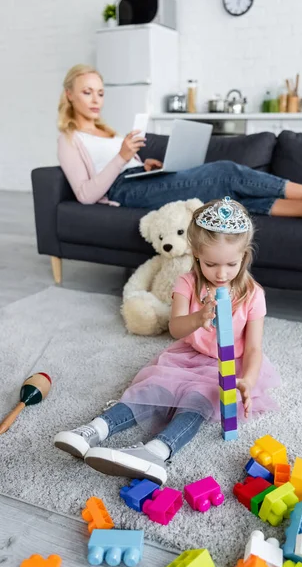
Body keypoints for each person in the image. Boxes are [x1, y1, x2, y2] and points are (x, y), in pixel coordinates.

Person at [54, 197, 281, 484]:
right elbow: (175, 328)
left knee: (198, 402)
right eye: (211, 264)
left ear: (244, 256)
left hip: (229, 366)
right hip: (189, 355)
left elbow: (253, 347)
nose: (221, 273)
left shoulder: (253, 294)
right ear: (197, 254)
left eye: (231, 264)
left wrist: (247, 379)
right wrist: (199, 319)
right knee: (152, 388)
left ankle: (156, 451)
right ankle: (95, 429)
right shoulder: (187, 282)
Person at [57, 64, 302, 228]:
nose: (96, 99)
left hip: (137, 181)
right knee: (226, 171)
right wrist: (122, 157)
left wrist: (142, 165)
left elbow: (122, 164)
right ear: (70, 94)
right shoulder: (69, 139)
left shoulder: (107, 131)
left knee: (229, 198)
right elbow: (86, 194)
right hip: (122, 193)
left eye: (100, 92)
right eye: (87, 92)